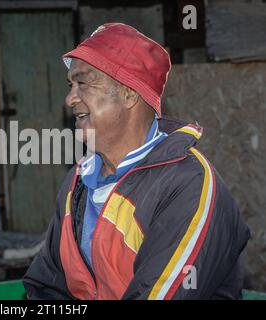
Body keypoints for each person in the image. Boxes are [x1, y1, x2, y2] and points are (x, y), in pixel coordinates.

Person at [22, 23, 250, 300]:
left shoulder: (187, 185)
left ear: (129, 94)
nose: (70, 98)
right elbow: (46, 286)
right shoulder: (79, 180)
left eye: (83, 83)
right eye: (70, 85)